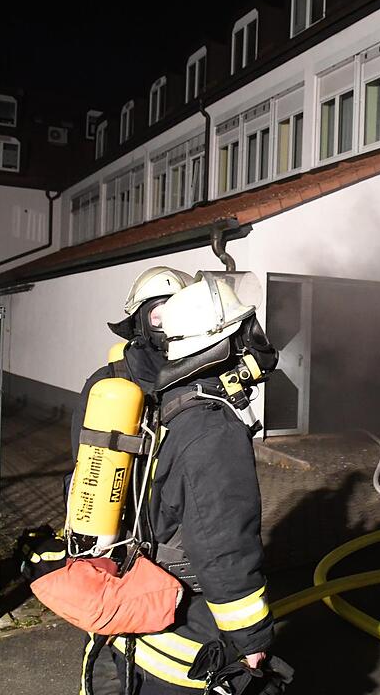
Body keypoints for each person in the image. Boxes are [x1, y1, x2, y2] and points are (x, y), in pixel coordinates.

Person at [68, 266, 278, 693]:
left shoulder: (159, 397)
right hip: (184, 609)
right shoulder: (206, 425)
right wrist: (251, 639)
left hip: (136, 583)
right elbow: (221, 542)